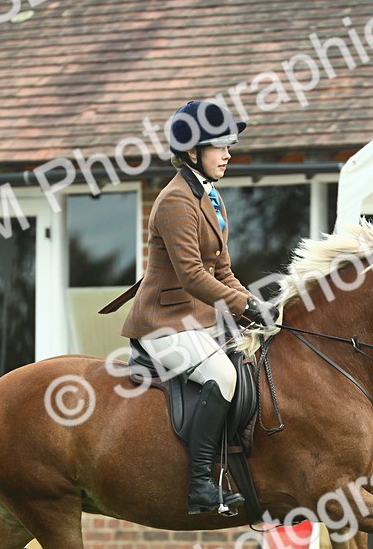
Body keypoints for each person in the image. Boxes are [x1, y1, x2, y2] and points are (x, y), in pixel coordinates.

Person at [101, 100, 275, 515]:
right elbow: (194, 276)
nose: (228, 154)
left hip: (195, 321)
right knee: (223, 375)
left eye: (229, 146)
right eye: (219, 146)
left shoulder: (211, 198)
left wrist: (261, 307)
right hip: (163, 324)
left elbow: (224, 271)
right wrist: (245, 305)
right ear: (193, 151)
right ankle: (200, 485)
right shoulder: (176, 200)